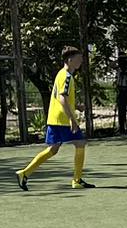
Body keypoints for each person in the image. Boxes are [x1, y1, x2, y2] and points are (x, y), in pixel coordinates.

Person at [15, 46, 90, 190]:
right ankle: (77, 180)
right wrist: (72, 119)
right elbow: (62, 98)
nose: (81, 61)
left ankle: (24, 173)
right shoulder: (67, 76)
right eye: (79, 58)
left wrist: (75, 106)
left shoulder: (61, 74)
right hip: (63, 119)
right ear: (70, 60)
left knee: (53, 149)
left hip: (54, 118)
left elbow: (61, 97)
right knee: (80, 143)